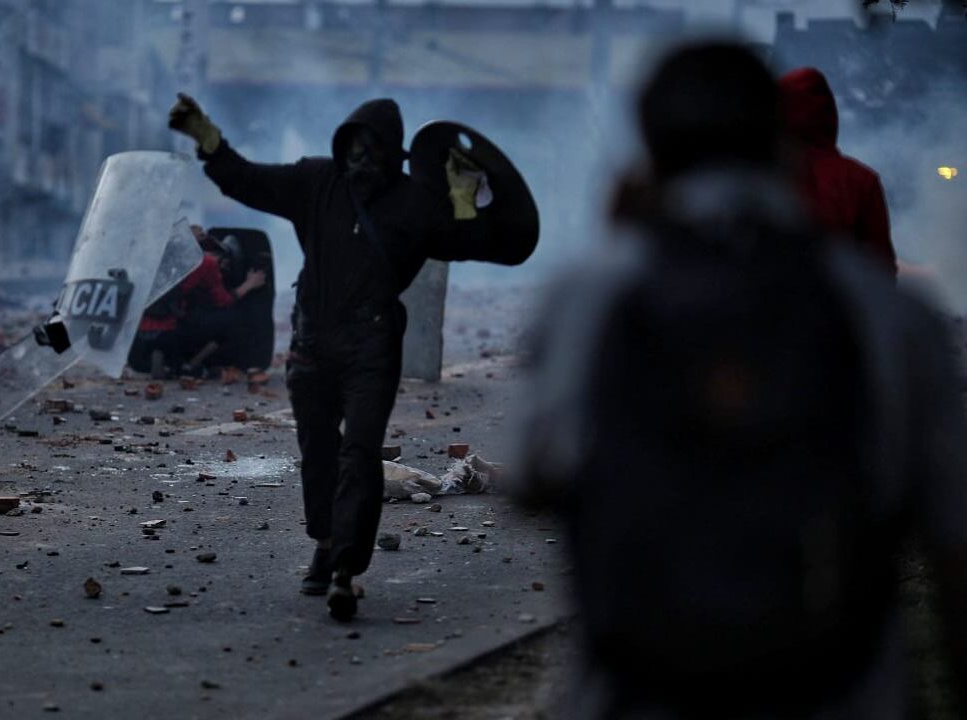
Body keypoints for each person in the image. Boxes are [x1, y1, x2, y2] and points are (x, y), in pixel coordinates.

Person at [515, 43, 967, 718]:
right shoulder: (894, 316)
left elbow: (533, 478)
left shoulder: (590, 296)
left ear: (648, 145)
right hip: (843, 692)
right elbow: (951, 533)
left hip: (641, 692)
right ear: (776, 141)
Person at [169, 93, 491, 620]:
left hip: (372, 346)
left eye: (374, 149)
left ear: (393, 154)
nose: (363, 160)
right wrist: (209, 139)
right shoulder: (316, 182)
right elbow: (247, 179)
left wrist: (461, 196)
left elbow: (470, 241)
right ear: (343, 146)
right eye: (355, 147)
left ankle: (344, 569)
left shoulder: (413, 202)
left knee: (359, 456)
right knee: (318, 453)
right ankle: (325, 543)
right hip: (314, 345)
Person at [780, 67, 898, 277]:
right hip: (839, 303)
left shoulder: (759, 171)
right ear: (829, 113)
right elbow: (881, 267)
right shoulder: (860, 179)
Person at [129, 225, 266, 378]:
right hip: (171, 331)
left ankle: (164, 357)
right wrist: (250, 284)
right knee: (233, 320)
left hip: (137, 332)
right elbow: (224, 301)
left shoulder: (163, 254)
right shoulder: (206, 262)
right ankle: (189, 366)